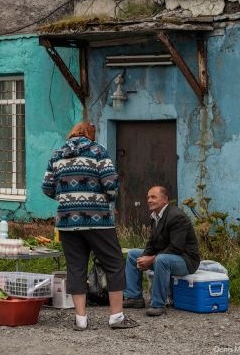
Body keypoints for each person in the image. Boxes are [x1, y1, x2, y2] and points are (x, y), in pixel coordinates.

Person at [42, 121, 138, 330]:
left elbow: (47, 187)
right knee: (114, 264)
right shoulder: (97, 151)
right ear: (90, 134)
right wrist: (108, 200)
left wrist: (66, 199)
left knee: (76, 268)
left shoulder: (56, 155)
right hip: (98, 220)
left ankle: (80, 319)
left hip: (67, 222)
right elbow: (111, 182)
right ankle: (116, 317)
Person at [123, 185, 201, 316]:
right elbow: (152, 243)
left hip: (186, 260)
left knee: (161, 259)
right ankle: (134, 297)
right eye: (148, 197)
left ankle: (158, 304)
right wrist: (145, 256)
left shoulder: (177, 216)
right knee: (132, 254)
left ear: (165, 200)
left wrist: (151, 259)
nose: (149, 200)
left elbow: (176, 247)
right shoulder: (155, 216)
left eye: (153, 197)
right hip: (166, 257)